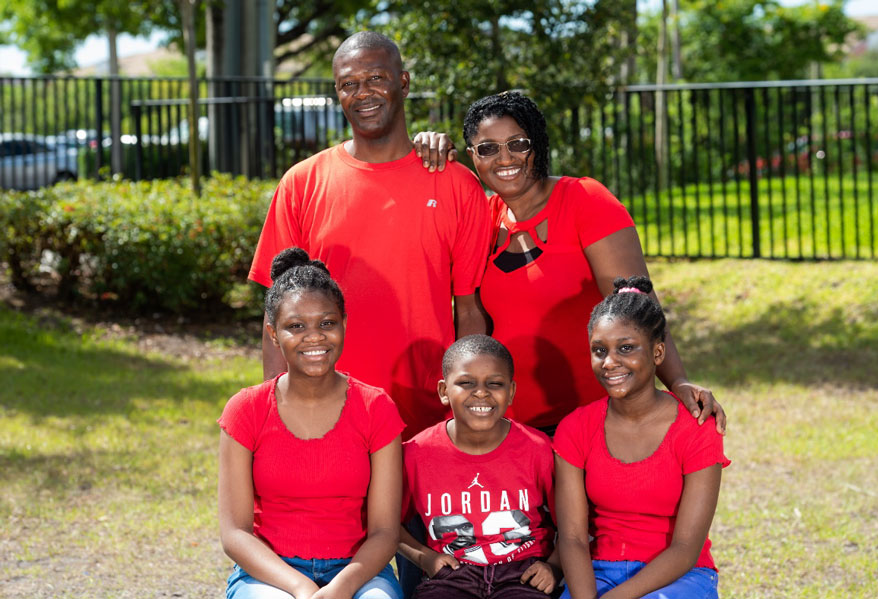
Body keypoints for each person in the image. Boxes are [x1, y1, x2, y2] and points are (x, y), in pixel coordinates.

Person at [248, 31, 490, 440]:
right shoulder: (302, 184)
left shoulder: (456, 185)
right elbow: (276, 316)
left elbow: (469, 311)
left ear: (404, 83)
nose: (363, 93)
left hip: (426, 417)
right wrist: (277, 415)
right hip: (327, 413)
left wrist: (467, 408)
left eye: (376, 78)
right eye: (349, 84)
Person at [440, 90, 725, 436]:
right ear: (473, 156)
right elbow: (471, 319)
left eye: (518, 143)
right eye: (488, 148)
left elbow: (637, 309)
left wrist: (677, 380)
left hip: (591, 424)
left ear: (538, 145)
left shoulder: (585, 201)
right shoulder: (482, 219)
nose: (505, 158)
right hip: (510, 431)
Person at [218, 247, 405, 599]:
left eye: (327, 323)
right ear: (274, 334)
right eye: (296, 326)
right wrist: (301, 588)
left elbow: (384, 532)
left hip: (357, 572)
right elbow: (235, 534)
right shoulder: (246, 409)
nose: (315, 336)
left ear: (344, 324)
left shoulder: (376, 407)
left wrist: (339, 589)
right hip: (270, 573)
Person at [554, 276, 730, 599]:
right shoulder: (575, 428)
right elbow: (573, 538)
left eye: (626, 348)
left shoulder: (696, 427)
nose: (609, 362)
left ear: (658, 351)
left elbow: (685, 547)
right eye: (599, 350)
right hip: (598, 574)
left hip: (678, 576)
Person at [400, 334, 561, 598]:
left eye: (495, 383)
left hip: (523, 573)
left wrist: (554, 567)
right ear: (443, 391)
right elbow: (385, 524)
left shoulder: (537, 448)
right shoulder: (417, 453)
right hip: (452, 576)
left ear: (511, 392)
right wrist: (423, 558)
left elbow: (572, 527)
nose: (481, 392)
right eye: (466, 383)